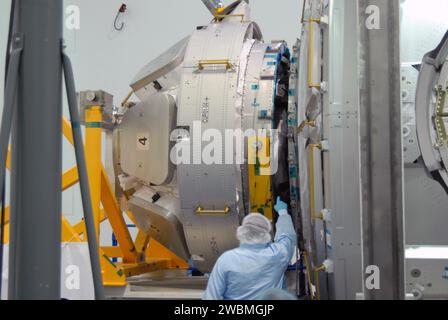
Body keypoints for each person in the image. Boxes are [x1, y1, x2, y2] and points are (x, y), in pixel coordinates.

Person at [202, 197, 297, 300]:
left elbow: (211, 296)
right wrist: (282, 212)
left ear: (242, 233)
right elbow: (287, 237)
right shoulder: (277, 254)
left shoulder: (226, 259)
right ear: (265, 234)